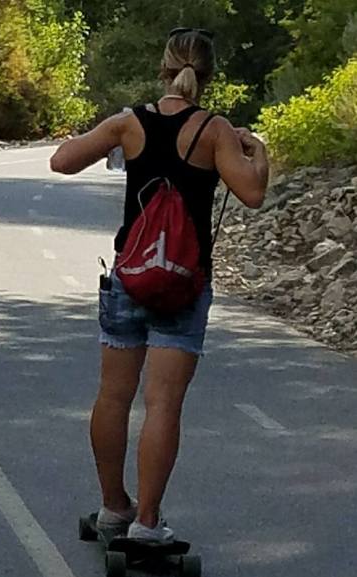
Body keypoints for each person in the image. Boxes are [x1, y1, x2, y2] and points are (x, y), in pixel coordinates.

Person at [50, 28, 269, 543]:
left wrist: (109, 132)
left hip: (130, 276)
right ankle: (147, 522)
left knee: (113, 396)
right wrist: (257, 150)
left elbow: (62, 160)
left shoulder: (130, 122)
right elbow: (252, 192)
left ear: (163, 68)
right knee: (163, 404)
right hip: (184, 285)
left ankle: (113, 507)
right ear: (208, 76)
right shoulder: (215, 131)